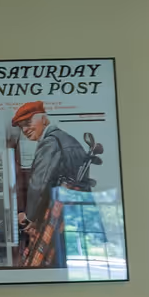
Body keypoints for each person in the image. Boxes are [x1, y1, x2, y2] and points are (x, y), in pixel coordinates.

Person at [12, 100, 89, 268]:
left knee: (38, 262)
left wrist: (30, 216)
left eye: (28, 123)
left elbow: (39, 184)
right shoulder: (66, 139)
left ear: (44, 120)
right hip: (73, 211)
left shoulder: (50, 142)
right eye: (21, 127)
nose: (25, 130)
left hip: (59, 210)